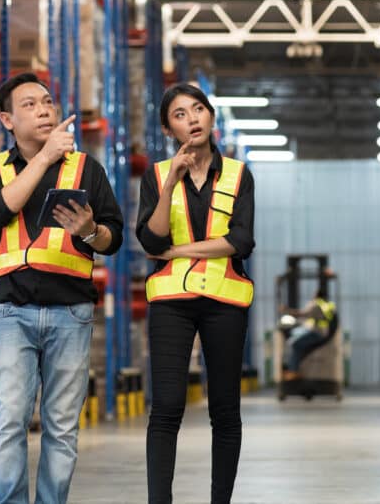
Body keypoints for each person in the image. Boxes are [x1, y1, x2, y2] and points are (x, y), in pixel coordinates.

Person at [0, 73, 124, 504]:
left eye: (47, 102)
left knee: (61, 426)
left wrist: (92, 230)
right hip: (13, 312)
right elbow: (0, 210)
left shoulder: (85, 169)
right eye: (29, 105)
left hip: (71, 312)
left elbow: (113, 237)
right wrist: (44, 157)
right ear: (6, 118)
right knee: (9, 422)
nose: (43, 110)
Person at [136, 83, 255, 504]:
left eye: (199, 109)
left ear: (211, 116)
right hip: (172, 302)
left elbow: (240, 241)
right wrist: (171, 183)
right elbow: (151, 243)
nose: (193, 119)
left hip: (225, 302)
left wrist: (181, 250)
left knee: (225, 411)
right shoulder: (155, 176)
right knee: (167, 407)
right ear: (169, 129)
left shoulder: (239, 174)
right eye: (181, 115)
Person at [281, 281, 337, 381]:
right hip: (321, 332)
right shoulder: (327, 305)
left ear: (316, 295)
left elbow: (302, 314)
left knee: (295, 343)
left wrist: (287, 310)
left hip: (317, 333)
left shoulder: (316, 305)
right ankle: (293, 368)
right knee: (296, 338)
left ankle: (293, 370)